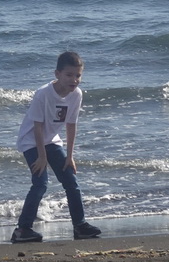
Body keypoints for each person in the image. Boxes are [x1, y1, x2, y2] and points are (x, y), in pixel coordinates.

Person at [11, 51, 101, 243]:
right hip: (31, 142)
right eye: (69, 75)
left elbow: (71, 125)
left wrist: (70, 156)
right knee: (40, 183)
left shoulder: (76, 94)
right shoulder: (43, 94)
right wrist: (42, 157)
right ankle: (22, 229)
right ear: (57, 74)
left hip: (52, 140)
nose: (74, 80)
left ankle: (80, 225)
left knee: (71, 181)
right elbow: (37, 127)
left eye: (78, 75)